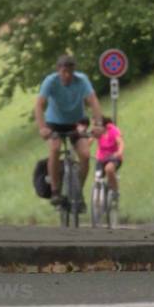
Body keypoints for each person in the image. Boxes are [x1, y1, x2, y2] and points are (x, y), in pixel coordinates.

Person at [34, 55, 104, 210]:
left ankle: (78, 193)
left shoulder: (82, 80)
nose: (67, 76)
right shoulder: (50, 81)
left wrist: (98, 124)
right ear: (58, 71)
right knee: (55, 148)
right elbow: (39, 105)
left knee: (85, 155)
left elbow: (93, 102)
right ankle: (56, 191)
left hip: (76, 123)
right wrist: (42, 127)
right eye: (64, 71)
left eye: (70, 72)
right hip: (54, 124)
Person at [84, 117, 124, 205]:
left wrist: (119, 152)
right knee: (97, 177)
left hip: (114, 157)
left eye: (96, 125)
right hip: (101, 158)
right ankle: (97, 205)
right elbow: (89, 142)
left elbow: (120, 142)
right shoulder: (97, 133)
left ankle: (115, 191)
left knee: (109, 169)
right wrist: (84, 151)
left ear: (103, 126)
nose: (94, 128)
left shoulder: (113, 130)